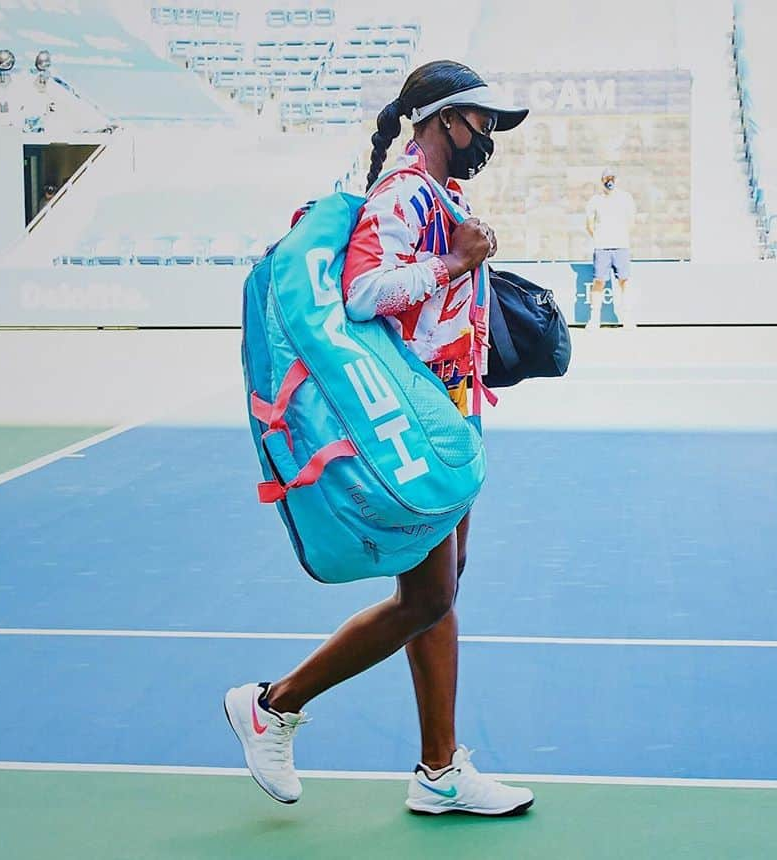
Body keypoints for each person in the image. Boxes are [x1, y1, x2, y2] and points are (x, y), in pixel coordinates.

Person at [225, 60, 535, 818]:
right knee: (430, 592)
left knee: (440, 588)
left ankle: (438, 771)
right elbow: (365, 293)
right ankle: (275, 704)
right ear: (437, 120)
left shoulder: (442, 195)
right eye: (478, 121)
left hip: (452, 410)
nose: (487, 137)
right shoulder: (401, 196)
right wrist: (457, 260)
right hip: (416, 421)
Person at [585, 167, 637, 329]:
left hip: (621, 246)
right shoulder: (595, 200)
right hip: (602, 247)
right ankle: (595, 319)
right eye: (607, 178)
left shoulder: (626, 198)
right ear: (602, 181)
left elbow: (632, 221)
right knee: (599, 281)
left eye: (612, 178)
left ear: (617, 180)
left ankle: (626, 317)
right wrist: (600, 238)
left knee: (624, 281)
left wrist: (620, 237)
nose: (610, 181)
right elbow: (589, 224)